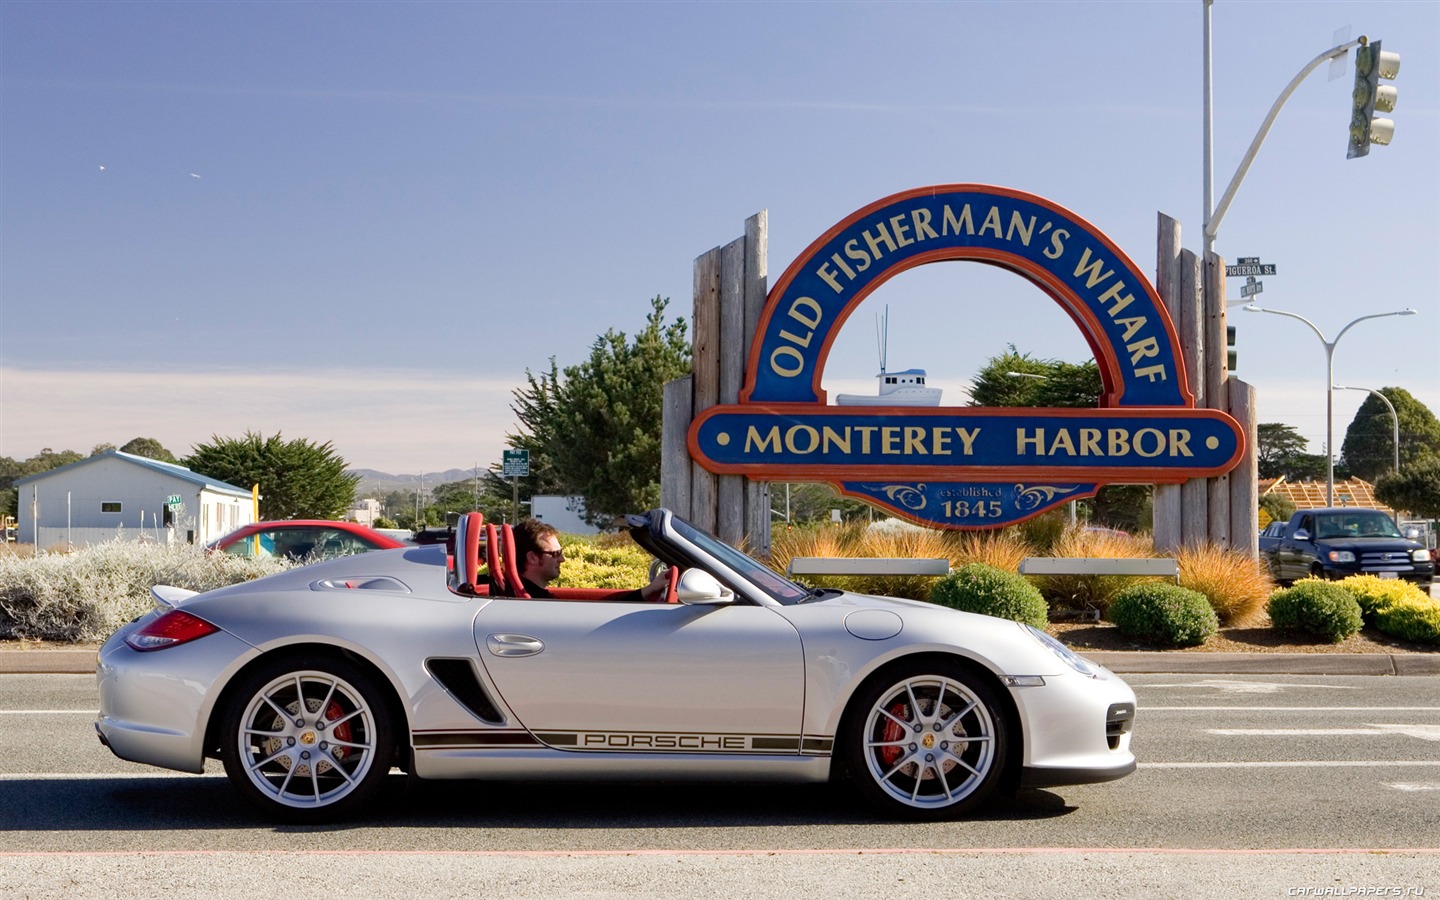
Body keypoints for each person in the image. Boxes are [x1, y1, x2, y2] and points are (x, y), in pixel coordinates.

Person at [511, 518, 669, 601]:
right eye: (555, 554)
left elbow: (593, 609)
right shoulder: (537, 603)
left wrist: (647, 591)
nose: (563, 559)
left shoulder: (529, 597)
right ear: (532, 557)